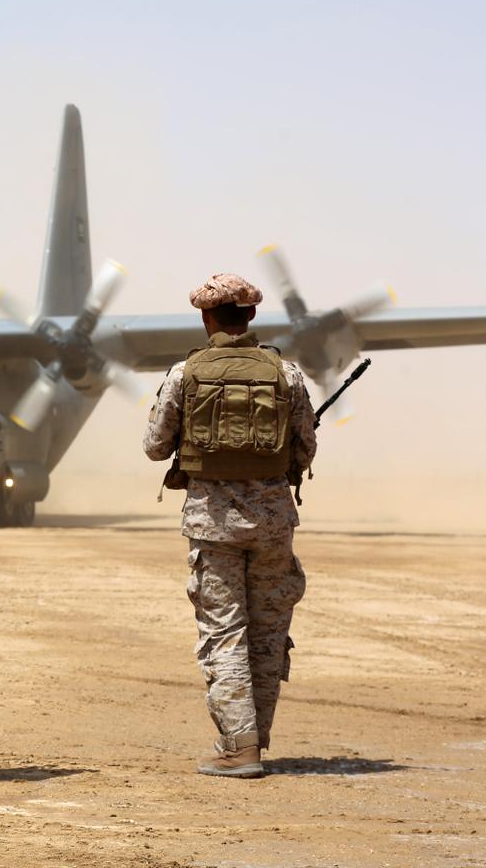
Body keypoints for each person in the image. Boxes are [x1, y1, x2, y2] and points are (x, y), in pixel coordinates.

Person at [143, 272, 317, 778]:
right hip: (272, 522)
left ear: (205, 317)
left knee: (225, 633)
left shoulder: (185, 373)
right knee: (267, 631)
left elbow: (155, 445)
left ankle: (239, 747)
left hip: (213, 523)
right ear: (253, 317)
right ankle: (254, 738)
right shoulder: (287, 374)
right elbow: (305, 449)